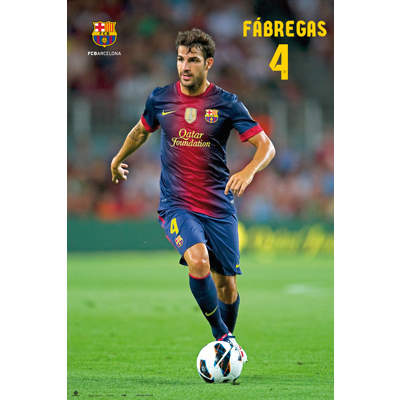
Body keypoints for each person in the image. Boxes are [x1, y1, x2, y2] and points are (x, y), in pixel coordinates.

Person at [111, 28, 275, 362]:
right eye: (181, 59)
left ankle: (227, 347)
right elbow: (141, 131)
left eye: (194, 60)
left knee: (226, 285)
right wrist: (118, 159)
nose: (185, 66)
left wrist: (248, 171)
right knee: (198, 262)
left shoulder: (227, 103)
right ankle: (224, 337)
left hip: (218, 206)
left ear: (208, 63)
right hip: (177, 205)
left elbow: (266, 146)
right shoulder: (160, 98)